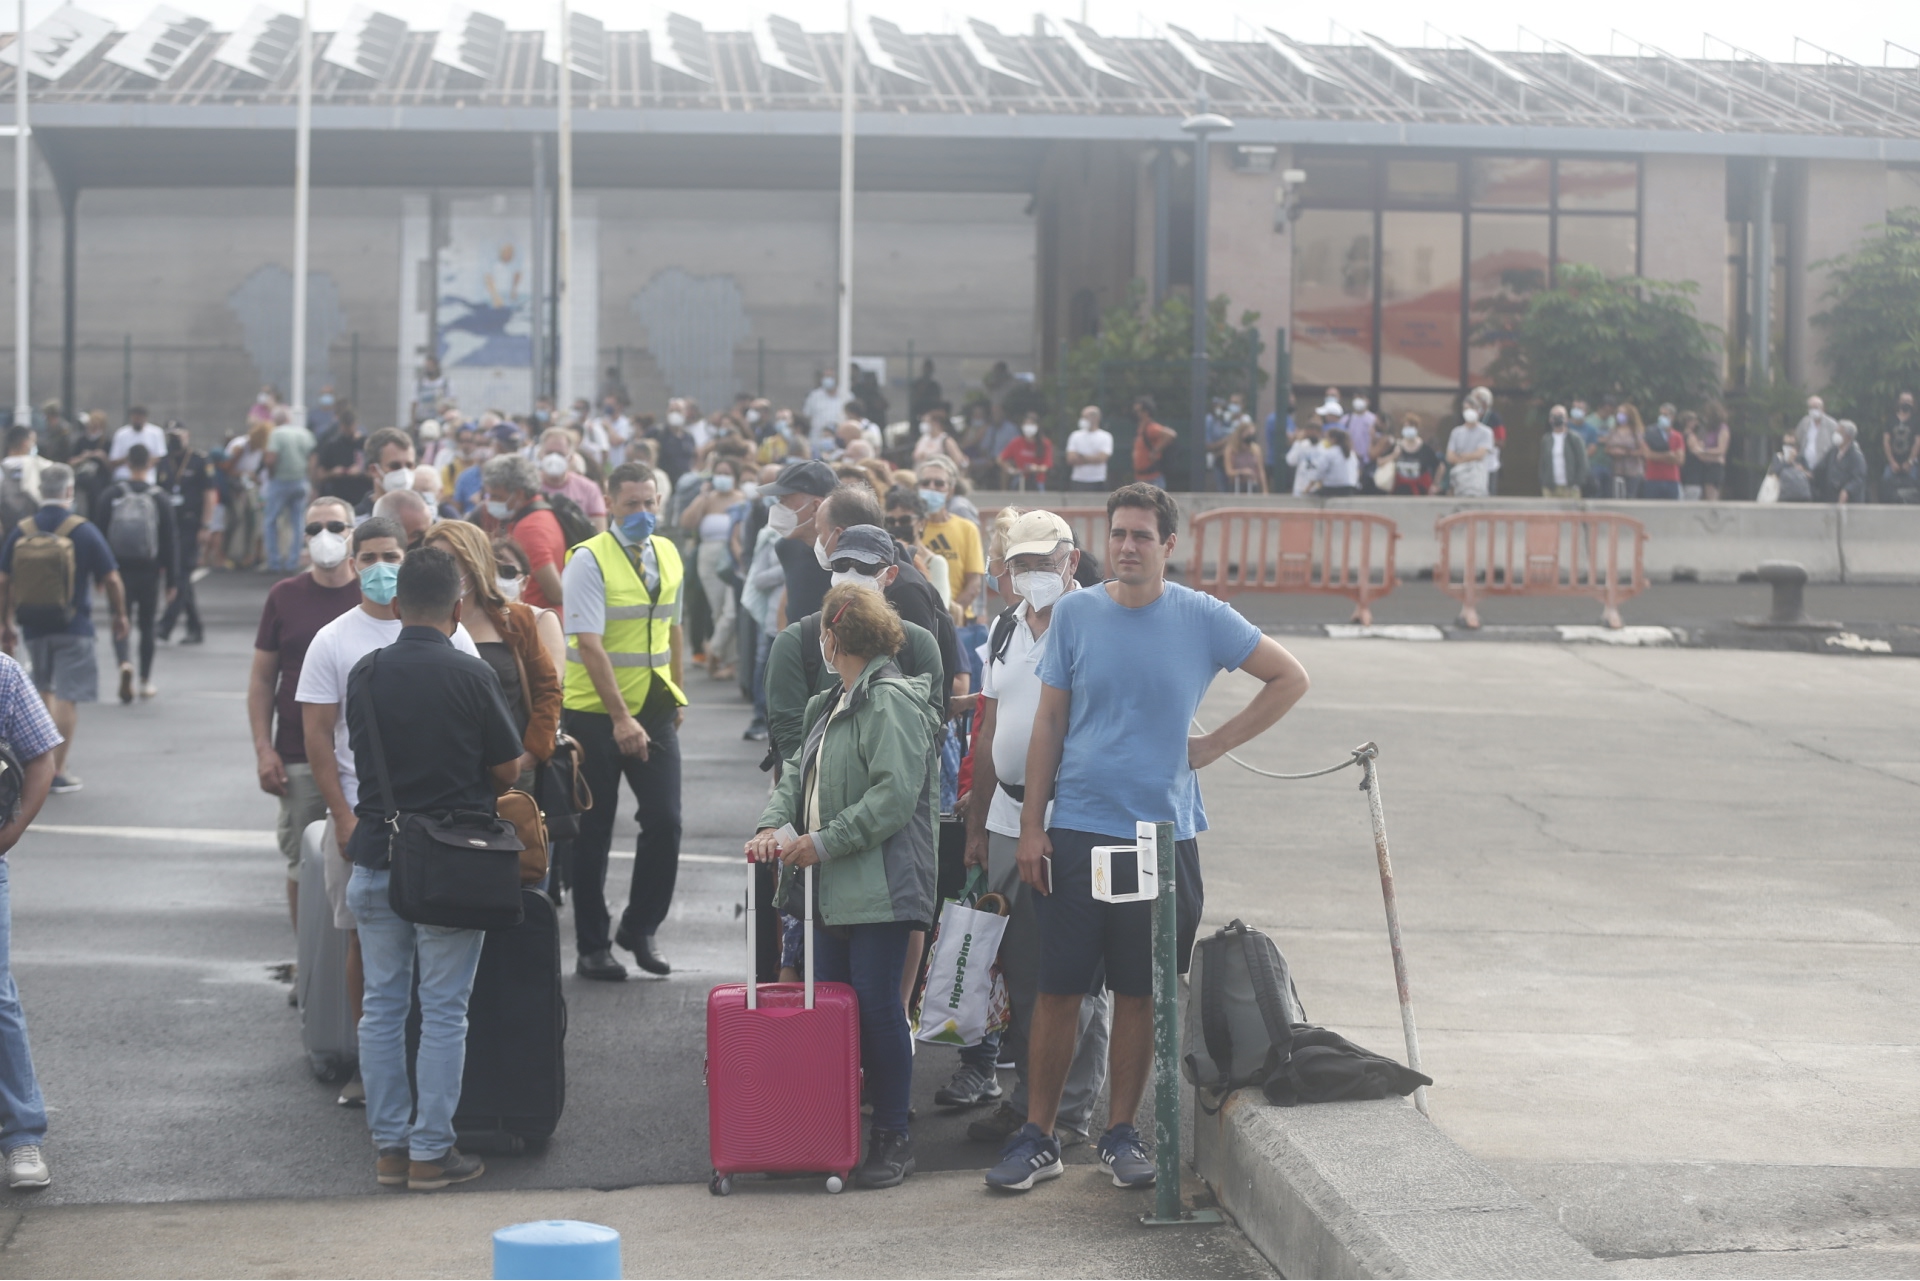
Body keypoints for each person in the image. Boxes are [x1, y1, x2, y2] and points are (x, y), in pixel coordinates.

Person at [987, 484, 1309, 1193]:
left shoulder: (1202, 617)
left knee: (1140, 992)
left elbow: (1290, 677)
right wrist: (1033, 825)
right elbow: (1048, 724)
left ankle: (1120, 1131)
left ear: (1168, 546)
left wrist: (1213, 745)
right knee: (1060, 989)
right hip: (1076, 830)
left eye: (1141, 535)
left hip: (1161, 839)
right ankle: (1039, 1135)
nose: (1127, 546)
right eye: (1119, 533)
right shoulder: (1075, 614)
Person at [342, 546, 526, 1193]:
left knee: (381, 1008)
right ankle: (431, 1150)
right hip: (450, 862)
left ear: (395, 606)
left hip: (375, 854)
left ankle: (389, 1146)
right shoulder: (471, 675)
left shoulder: (363, 673)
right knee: (444, 1011)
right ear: (457, 607)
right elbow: (509, 769)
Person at [747, 582, 941, 1191]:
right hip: (830, 885)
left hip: (878, 885)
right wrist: (772, 827)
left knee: (877, 1006)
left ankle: (891, 1135)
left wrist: (821, 841)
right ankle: (831, 1128)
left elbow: (893, 797)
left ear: (832, 638)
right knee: (830, 1008)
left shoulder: (890, 703)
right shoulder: (829, 703)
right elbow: (796, 781)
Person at [296, 518, 482, 1106]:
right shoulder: (331, 640)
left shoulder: (454, 637)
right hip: (362, 821)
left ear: (407, 564)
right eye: (368, 556)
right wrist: (342, 818)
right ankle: (373, 1076)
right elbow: (319, 739)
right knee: (365, 953)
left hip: (438, 826)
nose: (379, 566)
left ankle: (413, 1101)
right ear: (353, 563)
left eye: (390, 555)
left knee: (425, 972)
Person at [959, 510, 1111, 1148]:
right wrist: (975, 825)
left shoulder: (1100, 624)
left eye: (1045, 563)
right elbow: (991, 730)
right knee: (1019, 972)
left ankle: (1070, 1111)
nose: (1033, 575)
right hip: (1003, 818)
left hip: (1069, 818)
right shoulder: (1002, 629)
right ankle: (1030, 1098)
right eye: (1021, 564)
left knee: (1077, 974)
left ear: (1071, 562)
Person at [561, 463, 687, 981]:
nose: (643, 513)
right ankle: (592, 945)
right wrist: (619, 719)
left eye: (650, 502)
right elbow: (589, 644)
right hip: (595, 713)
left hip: (655, 707)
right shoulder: (588, 560)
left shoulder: (669, 552)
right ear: (610, 504)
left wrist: (679, 694)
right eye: (632, 504)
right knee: (591, 833)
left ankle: (639, 926)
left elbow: (674, 630)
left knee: (666, 821)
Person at [250, 496, 361, 928]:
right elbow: (262, 680)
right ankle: (308, 966)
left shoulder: (374, 592)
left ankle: (355, 967)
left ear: (352, 531)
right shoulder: (285, 596)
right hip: (297, 753)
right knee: (303, 865)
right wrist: (264, 749)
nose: (325, 536)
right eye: (314, 529)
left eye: (335, 526)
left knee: (361, 866)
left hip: (360, 759)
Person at [0, 464, 127, 794]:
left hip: (33, 625)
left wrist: (5, 622)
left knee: (42, 689)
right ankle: (57, 769)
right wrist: (120, 614)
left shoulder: (22, 530)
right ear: (69, 491)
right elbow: (111, 578)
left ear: (41, 490)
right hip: (74, 624)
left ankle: (35, 765)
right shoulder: (83, 530)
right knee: (67, 696)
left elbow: (3, 580)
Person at [423, 520, 563, 786]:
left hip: (510, 777)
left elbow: (548, 689)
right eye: (435, 560)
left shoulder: (516, 619)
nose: (442, 570)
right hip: (441, 776)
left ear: (474, 561)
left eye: (451, 560)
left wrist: (531, 753)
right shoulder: (418, 619)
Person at [0, 647, 62, 1190]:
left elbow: (42, 755)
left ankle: (23, 1135)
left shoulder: (2, 674)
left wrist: (12, 833)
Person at [96, 444, 179, 701]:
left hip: (117, 571)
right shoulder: (160, 497)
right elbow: (169, 540)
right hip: (149, 571)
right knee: (146, 625)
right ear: (150, 464)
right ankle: (145, 680)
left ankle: (124, 662)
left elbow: (98, 535)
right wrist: (172, 580)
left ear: (127, 463)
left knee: (120, 618)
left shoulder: (111, 495)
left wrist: (100, 575)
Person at [678, 456, 747, 681]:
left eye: (727, 473)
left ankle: (714, 650)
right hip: (708, 557)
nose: (723, 477)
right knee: (717, 609)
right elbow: (687, 523)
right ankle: (729, 662)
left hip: (733, 557)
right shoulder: (707, 499)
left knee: (731, 611)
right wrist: (702, 496)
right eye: (719, 473)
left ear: (735, 477)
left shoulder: (742, 499)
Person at [482, 454, 566, 614]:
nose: (490, 502)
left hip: (539, 621)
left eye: (497, 496)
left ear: (519, 494)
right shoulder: (539, 514)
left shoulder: (530, 528)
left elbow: (555, 592)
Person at [157, 427, 217, 643]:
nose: (174, 441)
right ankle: (195, 627)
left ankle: (165, 624)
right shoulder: (163, 462)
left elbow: (209, 495)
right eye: (170, 437)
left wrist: (206, 524)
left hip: (191, 525)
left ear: (187, 436)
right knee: (182, 578)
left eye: (177, 436)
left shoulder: (200, 461)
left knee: (182, 573)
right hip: (170, 526)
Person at [763, 458, 837, 624]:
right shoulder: (786, 547)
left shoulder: (845, 553)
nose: (778, 507)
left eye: (785, 500)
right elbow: (788, 602)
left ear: (816, 506)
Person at [915, 458, 984, 619]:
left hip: (959, 621)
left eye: (939, 484)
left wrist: (948, 617)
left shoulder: (967, 528)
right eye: (925, 483)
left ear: (950, 491)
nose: (932, 488)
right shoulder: (909, 528)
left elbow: (974, 584)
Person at [261, 411, 316, 574]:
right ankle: (293, 561)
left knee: (270, 521)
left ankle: (274, 561)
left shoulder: (276, 434)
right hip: (301, 481)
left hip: (280, 481)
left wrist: (271, 475)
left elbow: (271, 458)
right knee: (298, 521)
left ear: (277, 421)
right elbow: (313, 458)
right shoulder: (305, 434)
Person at [536, 427, 608, 532]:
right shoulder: (530, 486)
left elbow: (600, 531)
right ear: (540, 454)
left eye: (560, 454)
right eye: (549, 453)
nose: (554, 458)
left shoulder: (588, 488)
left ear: (570, 457)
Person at [356, 428, 418, 519]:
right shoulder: (355, 522)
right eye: (395, 466)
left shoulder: (425, 517)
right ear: (374, 470)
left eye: (409, 466)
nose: (404, 472)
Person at [311, 410, 368, 508]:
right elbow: (320, 475)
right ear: (341, 426)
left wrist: (360, 471)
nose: (348, 431)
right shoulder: (332, 445)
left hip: (361, 498)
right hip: (338, 499)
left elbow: (375, 472)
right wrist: (332, 472)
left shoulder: (365, 445)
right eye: (346, 428)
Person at [1539, 406, 1590, 499]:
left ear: (1566, 419)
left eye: (1561, 416)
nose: (1558, 418)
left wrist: (1577, 484)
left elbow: (1582, 462)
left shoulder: (1575, 438)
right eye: (1555, 416)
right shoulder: (1546, 439)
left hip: (1570, 487)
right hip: (1550, 487)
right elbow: (1543, 463)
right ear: (1550, 419)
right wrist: (1544, 481)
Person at [1445, 406, 1496, 498]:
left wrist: (1459, 456)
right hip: (1459, 476)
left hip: (1478, 476)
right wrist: (1470, 457)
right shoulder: (1456, 432)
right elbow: (1450, 457)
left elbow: (1480, 455)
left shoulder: (1486, 432)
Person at [1387, 420, 1444, 495]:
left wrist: (1435, 485)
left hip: (1420, 491)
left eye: (1411, 427)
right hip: (1399, 491)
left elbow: (1440, 467)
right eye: (1406, 427)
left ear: (1417, 429)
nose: (1408, 429)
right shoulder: (1396, 446)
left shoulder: (1425, 449)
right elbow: (1379, 462)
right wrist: (1394, 455)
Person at [1640, 405, 1685, 501]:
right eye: (1660, 414)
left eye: (1665, 415)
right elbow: (1647, 455)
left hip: (1672, 480)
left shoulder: (1677, 436)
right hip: (1652, 479)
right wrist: (1668, 456)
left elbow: (1680, 460)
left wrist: (1657, 456)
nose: (1661, 417)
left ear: (1672, 417)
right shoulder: (1650, 433)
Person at [1684, 408, 1730, 502]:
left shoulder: (1722, 428)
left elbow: (1721, 450)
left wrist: (1704, 451)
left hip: (1715, 465)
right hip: (1705, 465)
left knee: (1711, 494)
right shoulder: (1708, 429)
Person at [997, 415, 1053, 492]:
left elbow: (1047, 466)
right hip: (1020, 479)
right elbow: (1000, 459)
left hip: (1038, 481)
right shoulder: (1017, 442)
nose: (1029, 427)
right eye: (1026, 424)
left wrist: (1036, 468)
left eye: (1031, 424)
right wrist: (1011, 470)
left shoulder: (1045, 443)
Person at [108, 406, 165, 480]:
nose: (137, 420)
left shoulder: (156, 432)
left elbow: (160, 456)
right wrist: (131, 459)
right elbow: (114, 459)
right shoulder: (121, 433)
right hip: (123, 477)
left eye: (140, 418)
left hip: (147, 478)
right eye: (135, 418)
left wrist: (142, 463)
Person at [1129, 397, 1175, 488]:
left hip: (1152, 478)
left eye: (1138, 411)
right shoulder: (1141, 429)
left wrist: (1155, 451)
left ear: (1146, 412)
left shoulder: (1151, 428)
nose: (1136, 414)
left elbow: (1171, 434)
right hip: (1141, 478)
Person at [1065, 407, 1114, 493]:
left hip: (1098, 479)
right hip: (1078, 479)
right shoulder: (1075, 435)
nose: (1083, 420)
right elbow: (1070, 459)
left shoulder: (1106, 436)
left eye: (1085, 417)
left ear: (1096, 418)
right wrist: (1093, 458)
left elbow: (1102, 458)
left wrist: (1081, 456)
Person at [1603, 405, 1648, 499]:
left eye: (1623, 413)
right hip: (1617, 469)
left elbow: (1643, 451)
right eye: (1619, 413)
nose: (1620, 415)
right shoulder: (1613, 431)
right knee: (1617, 495)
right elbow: (1607, 448)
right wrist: (1613, 452)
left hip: (1633, 470)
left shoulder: (1636, 432)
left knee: (1630, 496)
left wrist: (1626, 452)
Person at [1794, 396, 1840, 475]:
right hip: (1805, 466)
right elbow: (1797, 440)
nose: (1813, 410)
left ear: (1822, 408)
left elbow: (1837, 445)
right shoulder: (1804, 422)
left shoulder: (1832, 424)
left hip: (1824, 468)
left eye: (1816, 407)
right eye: (1811, 408)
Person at [1826, 421, 1868, 504]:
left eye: (1839, 432)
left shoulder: (1856, 455)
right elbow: (1821, 467)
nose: (1836, 434)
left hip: (1850, 502)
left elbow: (1858, 478)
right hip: (1833, 498)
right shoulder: (1833, 451)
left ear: (1848, 437)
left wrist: (1847, 490)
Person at [1224, 418, 1266, 494]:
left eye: (1252, 434)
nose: (1251, 436)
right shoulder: (1231, 450)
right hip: (1236, 485)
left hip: (1252, 485)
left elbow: (1260, 470)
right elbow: (1229, 471)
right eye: (1248, 434)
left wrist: (1265, 490)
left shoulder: (1255, 449)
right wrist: (1242, 472)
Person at [1767, 434, 1814, 502]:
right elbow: (1775, 472)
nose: (1788, 447)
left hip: (1801, 495)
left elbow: (1811, 476)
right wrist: (1788, 462)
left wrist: (1802, 470)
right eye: (1786, 444)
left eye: (1791, 445)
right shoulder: (1779, 457)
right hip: (1783, 494)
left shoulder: (1801, 459)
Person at [1286, 417, 1326, 496]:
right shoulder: (1301, 445)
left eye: (1316, 431)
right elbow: (1290, 461)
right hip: (1300, 487)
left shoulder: (1325, 447)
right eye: (1310, 431)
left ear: (1320, 432)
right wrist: (1297, 442)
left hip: (1317, 489)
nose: (1313, 433)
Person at [1318, 428, 1360, 497]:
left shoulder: (1329, 452)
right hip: (1350, 488)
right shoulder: (1352, 454)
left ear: (1333, 439)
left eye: (1327, 438)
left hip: (1332, 488)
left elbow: (1320, 471)